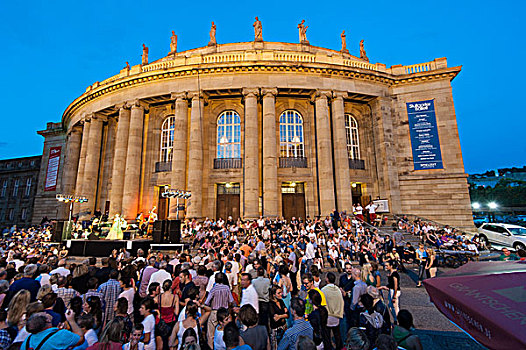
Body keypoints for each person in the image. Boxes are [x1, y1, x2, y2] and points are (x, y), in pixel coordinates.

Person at [321, 272, 343, 350]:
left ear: (327, 279)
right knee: (337, 334)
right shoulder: (338, 290)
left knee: (327, 335)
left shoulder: (323, 290)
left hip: (327, 316)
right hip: (336, 315)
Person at [269, 285, 287, 350]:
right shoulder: (271, 304)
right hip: (275, 329)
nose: (281, 294)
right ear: (274, 295)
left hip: (283, 327)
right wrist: (283, 315)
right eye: (279, 293)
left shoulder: (281, 301)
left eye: (281, 292)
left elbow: (287, 315)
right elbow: (275, 318)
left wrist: (279, 316)